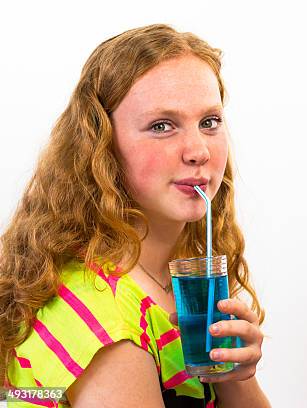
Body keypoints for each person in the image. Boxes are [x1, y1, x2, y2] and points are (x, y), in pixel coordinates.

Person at [0, 24, 270, 408]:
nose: (199, 151)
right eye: (162, 126)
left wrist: (235, 379)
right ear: (101, 146)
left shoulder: (172, 281)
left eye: (209, 122)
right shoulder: (107, 318)